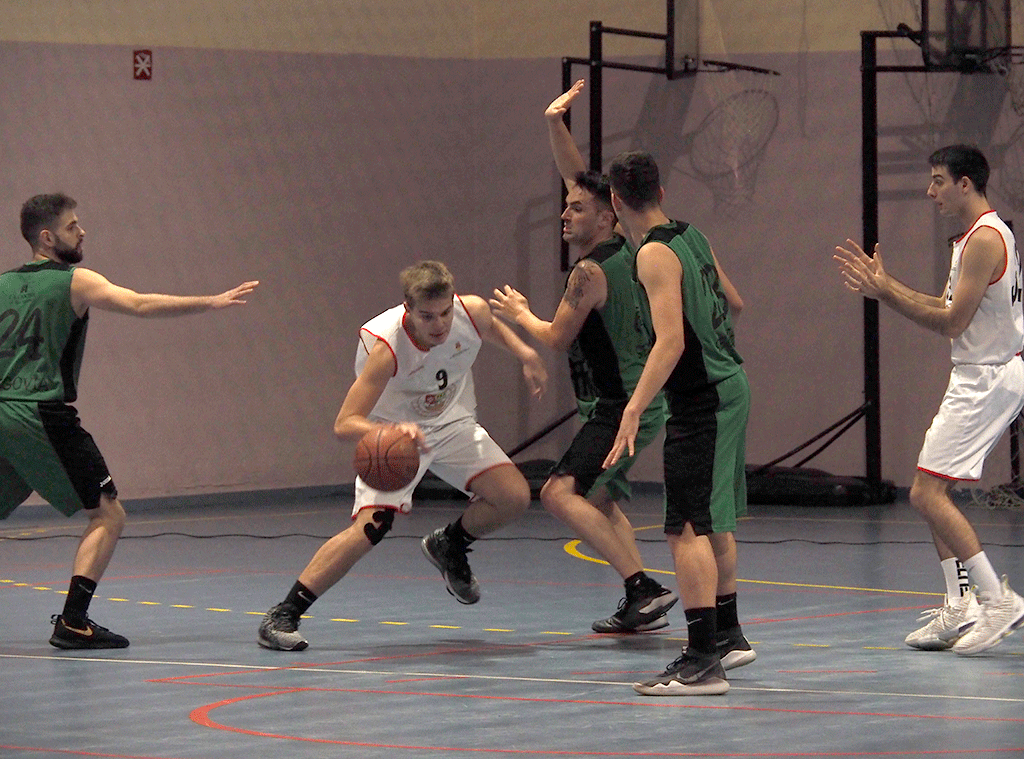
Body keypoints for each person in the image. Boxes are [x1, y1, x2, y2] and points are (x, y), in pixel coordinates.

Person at [0, 193, 259, 649]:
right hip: (37, 411)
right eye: (72, 225)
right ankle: (74, 621)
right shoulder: (74, 281)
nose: (82, 232)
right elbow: (139, 304)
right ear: (47, 237)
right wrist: (210, 301)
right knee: (107, 513)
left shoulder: (2, 285)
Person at [258, 260, 547, 651]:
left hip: (452, 424)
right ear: (408, 310)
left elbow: (490, 327)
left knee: (514, 496)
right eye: (428, 316)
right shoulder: (388, 349)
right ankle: (285, 612)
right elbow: (345, 423)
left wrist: (526, 353)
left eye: (445, 312)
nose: (440, 324)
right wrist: (390, 432)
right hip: (394, 435)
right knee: (371, 529)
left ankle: (449, 544)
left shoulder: (471, 311)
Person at [489, 80, 676, 634]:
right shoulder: (631, 247)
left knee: (556, 492)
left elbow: (554, 338)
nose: (565, 214)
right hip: (626, 400)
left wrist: (520, 313)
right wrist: (554, 124)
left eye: (576, 209)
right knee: (596, 501)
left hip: (623, 405)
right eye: (565, 207)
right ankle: (640, 598)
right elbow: (578, 178)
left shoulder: (590, 271)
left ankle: (643, 587)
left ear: (607, 215)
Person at [835, 144, 1024, 655]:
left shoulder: (985, 238)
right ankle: (960, 605)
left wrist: (888, 295)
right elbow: (945, 305)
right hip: (980, 375)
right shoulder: (977, 236)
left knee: (924, 494)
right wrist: (885, 286)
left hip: (987, 379)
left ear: (966, 184)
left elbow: (951, 322)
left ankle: (998, 600)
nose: (930, 190)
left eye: (939, 180)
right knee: (930, 489)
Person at [603, 151, 752, 696]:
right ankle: (729, 637)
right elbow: (735, 303)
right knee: (712, 521)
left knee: (684, 527)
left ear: (616, 202)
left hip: (703, 400)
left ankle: (699, 662)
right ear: (661, 193)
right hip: (729, 386)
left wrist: (635, 406)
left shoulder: (653, 256)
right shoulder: (692, 236)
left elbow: (671, 343)